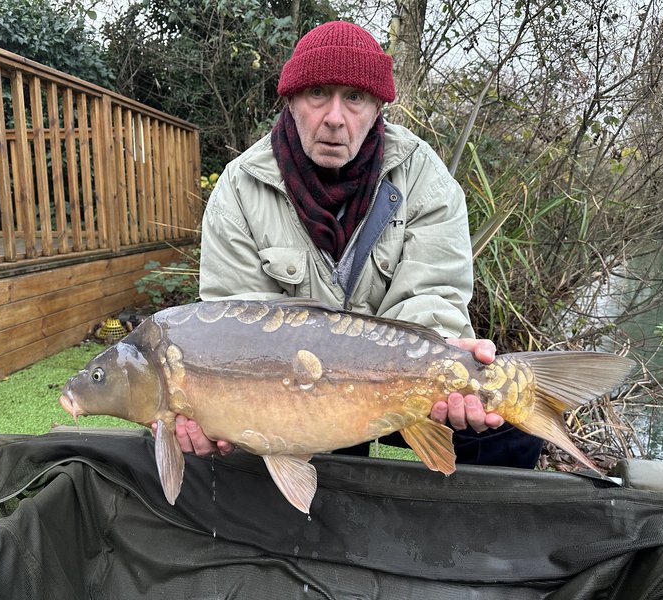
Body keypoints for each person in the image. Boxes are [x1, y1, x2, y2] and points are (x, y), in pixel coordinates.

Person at [173, 20, 544, 468]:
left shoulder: (425, 179)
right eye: (318, 93)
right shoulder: (239, 188)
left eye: (354, 97)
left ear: (377, 107)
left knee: (510, 429)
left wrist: (439, 363)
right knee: (233, 446)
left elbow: (433, 295)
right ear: (291, 99)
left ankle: (441, 516)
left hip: (399, 380)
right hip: (288, 392)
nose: (335, 117)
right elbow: (234, 327)